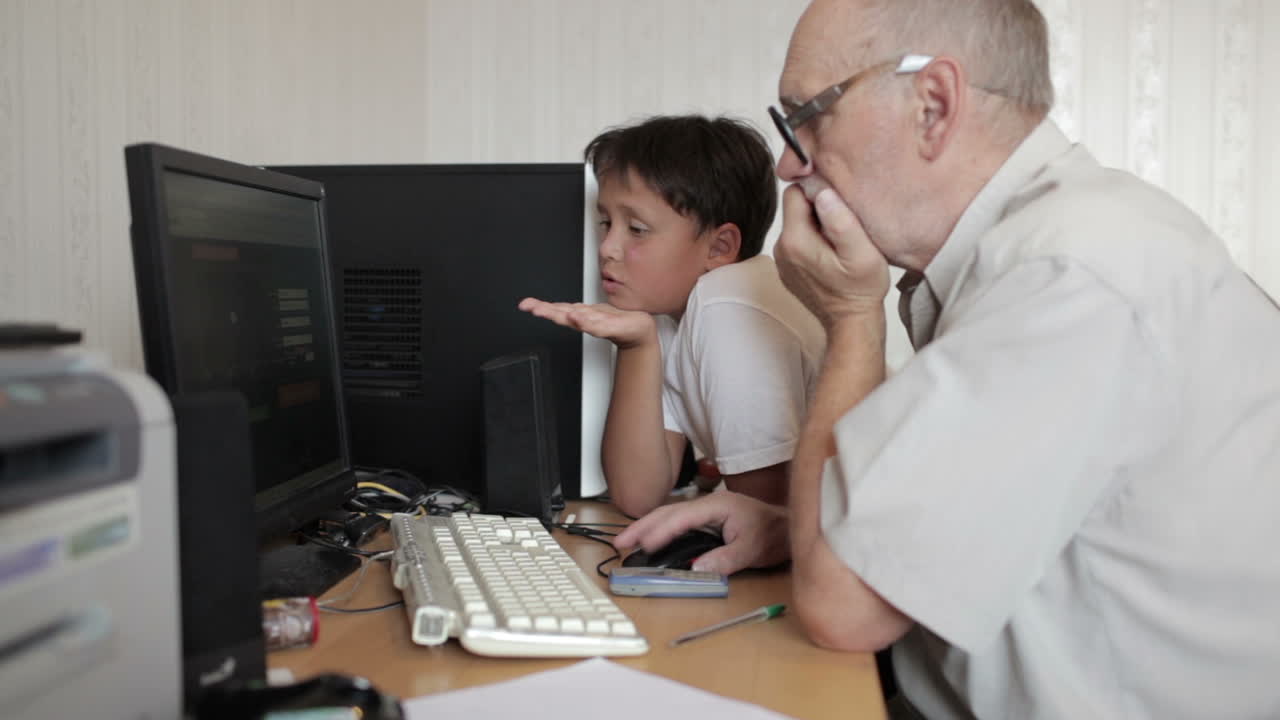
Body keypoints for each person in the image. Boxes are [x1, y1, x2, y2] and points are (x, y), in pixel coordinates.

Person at [616, 0, 1280, 717]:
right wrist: (791, 530)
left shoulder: (1065, 277)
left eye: (804, 115)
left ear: (933, 105)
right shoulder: (1052, 246)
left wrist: (849, 318)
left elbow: (846, 611)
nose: (787, 161)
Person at [519, 115, 826, 528]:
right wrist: (637, 344)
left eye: (638, 229)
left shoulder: (727, 305)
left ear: (719, 247)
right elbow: (638, 495)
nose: (607, 248)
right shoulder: (671, 314)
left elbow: (761, 518)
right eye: (606, 223)